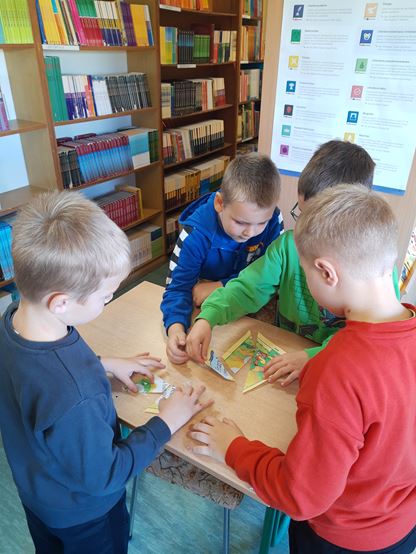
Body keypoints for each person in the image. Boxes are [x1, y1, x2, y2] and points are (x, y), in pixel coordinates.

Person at [189, 185, 416, 554]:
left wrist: (232, 447)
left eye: (307, 274)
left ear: (326, 272)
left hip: (340, 537)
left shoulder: (337, 369)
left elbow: (300, 496)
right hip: (402, 525)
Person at [0, 191, 212, 554]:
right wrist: (166, 422)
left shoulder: (13, 322)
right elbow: (106, 475)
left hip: (39, 496)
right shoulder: (75, 395)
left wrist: (102, 364)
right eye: (105, 296)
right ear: (61, 302)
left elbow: (37, 375)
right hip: (86, 517)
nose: (108, 300)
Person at [186, 140, 399, 385]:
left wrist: (312, 357)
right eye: (301, 213)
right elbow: (247, 288)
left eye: (312, 223)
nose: (301, 230)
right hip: (285, 355)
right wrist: (209, 317)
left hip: (333, 368)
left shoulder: (376, 273)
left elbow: (365, 341)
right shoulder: (287, 247)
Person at [161, 152, 283, 364]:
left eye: (261, 223)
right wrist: (175, 329)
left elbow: (271, 276)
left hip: (251, 306)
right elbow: (178, 288)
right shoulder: (195, 234)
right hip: (209, 313)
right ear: (219, 203)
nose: (250, 232)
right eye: (240, 222)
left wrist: (220, 285)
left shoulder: (273, 220)